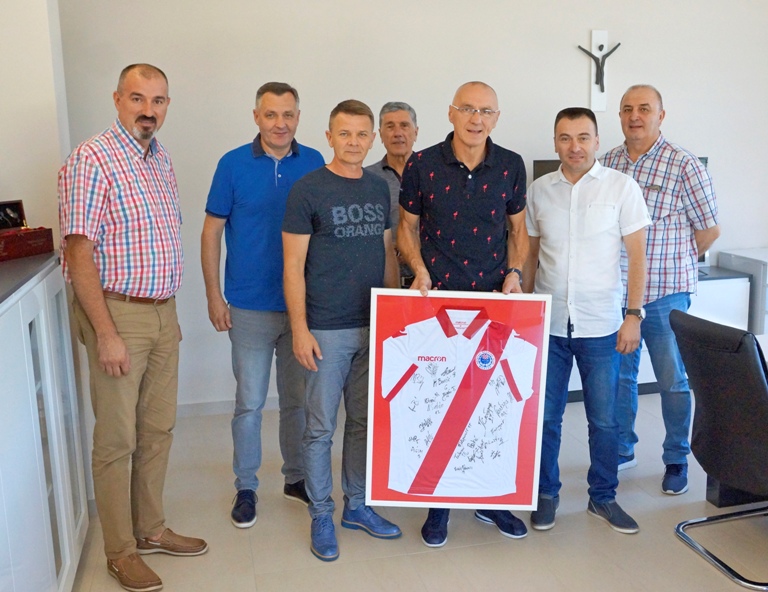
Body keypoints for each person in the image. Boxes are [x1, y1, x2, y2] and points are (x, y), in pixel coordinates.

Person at [59, 64, 206, 592]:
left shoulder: (158, 157)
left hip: (162, 311)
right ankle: (120, 551)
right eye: (138, 98)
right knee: (117, 439)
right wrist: (105, 332)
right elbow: (79, 251)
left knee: (157, 428)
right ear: (118, 99)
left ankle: (151, 529)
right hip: (117, 313)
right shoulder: (92, 158)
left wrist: (170, 315)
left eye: (158, 100)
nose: (149, 110)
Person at [398, 81, 529, 547]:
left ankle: (489, 498)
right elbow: (406, 226)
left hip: (494, 303)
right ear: (451, 113)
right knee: (440, 406)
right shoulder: (422, 164)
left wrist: (515, 272)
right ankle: (439, 505)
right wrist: (418, 269)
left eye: (486, 111)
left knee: (490, 407)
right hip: (438, 305)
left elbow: (518, 231)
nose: (477, 119)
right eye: (468, 109)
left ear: (497, 117)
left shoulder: (511, 165)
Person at [201, 82, 325, 529]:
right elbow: (212, 232)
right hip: (249, 307)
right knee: (250, 403)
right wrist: (214, 295)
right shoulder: (232, 164)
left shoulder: (315, 162)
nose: (280, 123)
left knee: (297, 401)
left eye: (288, 114)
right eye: (271, 114)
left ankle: (295, 478)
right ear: (256, 117)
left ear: (298, 117)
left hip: (301, 310)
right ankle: (247, 487)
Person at [282, 99, 401, 562]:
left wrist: (393, 315)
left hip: (373, 324)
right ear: (329, 137)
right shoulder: (308, 190)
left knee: (363, 423)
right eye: (344, 133)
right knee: (319, 429)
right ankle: (321, 514)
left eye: (361, 134)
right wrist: (300, 328)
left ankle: (357, 505)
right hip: (325, 330)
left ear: (372, 138)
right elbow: (293, 266)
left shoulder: (378, 187)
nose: (353, 142)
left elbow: (387, 252)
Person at [523, 107, 651, 535]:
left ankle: (603, 497)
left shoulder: (621, 187)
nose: (574, 146)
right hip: (549, 324)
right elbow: (530, 255)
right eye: (565, 138)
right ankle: (546, 494)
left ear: (597, 141)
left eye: (583, 137)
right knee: (546, 418)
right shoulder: (540, 191)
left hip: (602, 326)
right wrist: (524, 310)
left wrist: (633, 316)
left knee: (604, 420)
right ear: (555, 142)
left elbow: (637, 258)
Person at [602, 85, 720, 495]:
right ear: (620, 116)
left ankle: (676, 458)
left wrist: (673, 261)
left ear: (661, 115)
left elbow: (709, 230)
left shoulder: (684, 165)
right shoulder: (608, 162)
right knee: (621, 377)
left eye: (644, 109)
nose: (635, 116)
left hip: (666, 293)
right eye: (627, 109)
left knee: (672, 379)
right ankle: (622, 448)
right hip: (618, 293)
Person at [366, 101, 419, 285]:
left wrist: (411, 248)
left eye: (404, 125)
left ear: (416, 132)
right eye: (390, 126)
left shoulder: (433, 174)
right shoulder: (366, 178)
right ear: (380, 134)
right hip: (380, 281)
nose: (398, 133)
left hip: (426, 282)